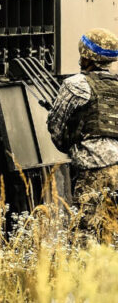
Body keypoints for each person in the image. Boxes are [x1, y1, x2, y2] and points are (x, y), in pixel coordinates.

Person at [48, 27, 118, 235]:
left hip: (92, 170)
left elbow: (55, 126)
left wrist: (70, 146)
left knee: (85, 233)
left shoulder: (76, 85)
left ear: (85, 56)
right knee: (112, 232)